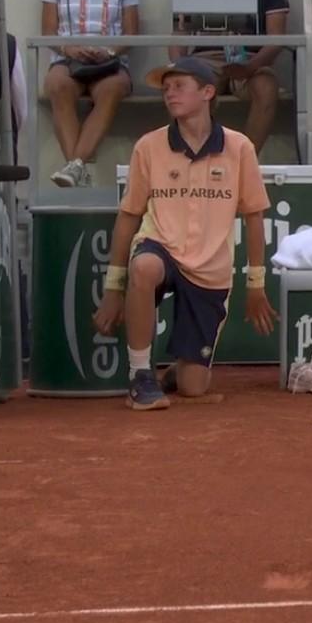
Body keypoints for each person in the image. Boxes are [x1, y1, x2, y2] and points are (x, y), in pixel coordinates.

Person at [93, 55, 275, 410]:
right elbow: (129, 217)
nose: (169, 94)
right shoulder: (148, 146)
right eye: (166, 88)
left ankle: (179, 371)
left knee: (194, 388)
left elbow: (254, 217)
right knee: (145, 266)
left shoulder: (239, 148)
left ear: (208, 92)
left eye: (179, 86)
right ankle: (140, 375)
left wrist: (256, 285)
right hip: (160, 247)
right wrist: (114, 287)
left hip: (210, 269)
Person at [172, 0, 291, 154]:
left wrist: (250, 67)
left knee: (267, 87)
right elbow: (178, 32)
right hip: (205, 59)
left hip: (251, 58)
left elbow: (276, 38)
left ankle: (242, 164)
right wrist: (178, 68)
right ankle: (195, 162)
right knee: (185, 88)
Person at [42, 0, 140, 188]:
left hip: (110, 61)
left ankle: (75, 167)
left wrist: (109, 50)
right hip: (68, 58)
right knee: (57, 84)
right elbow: (47, 33)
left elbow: (132, 35)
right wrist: (69, 48)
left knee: (112, 88)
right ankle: (78, 166)